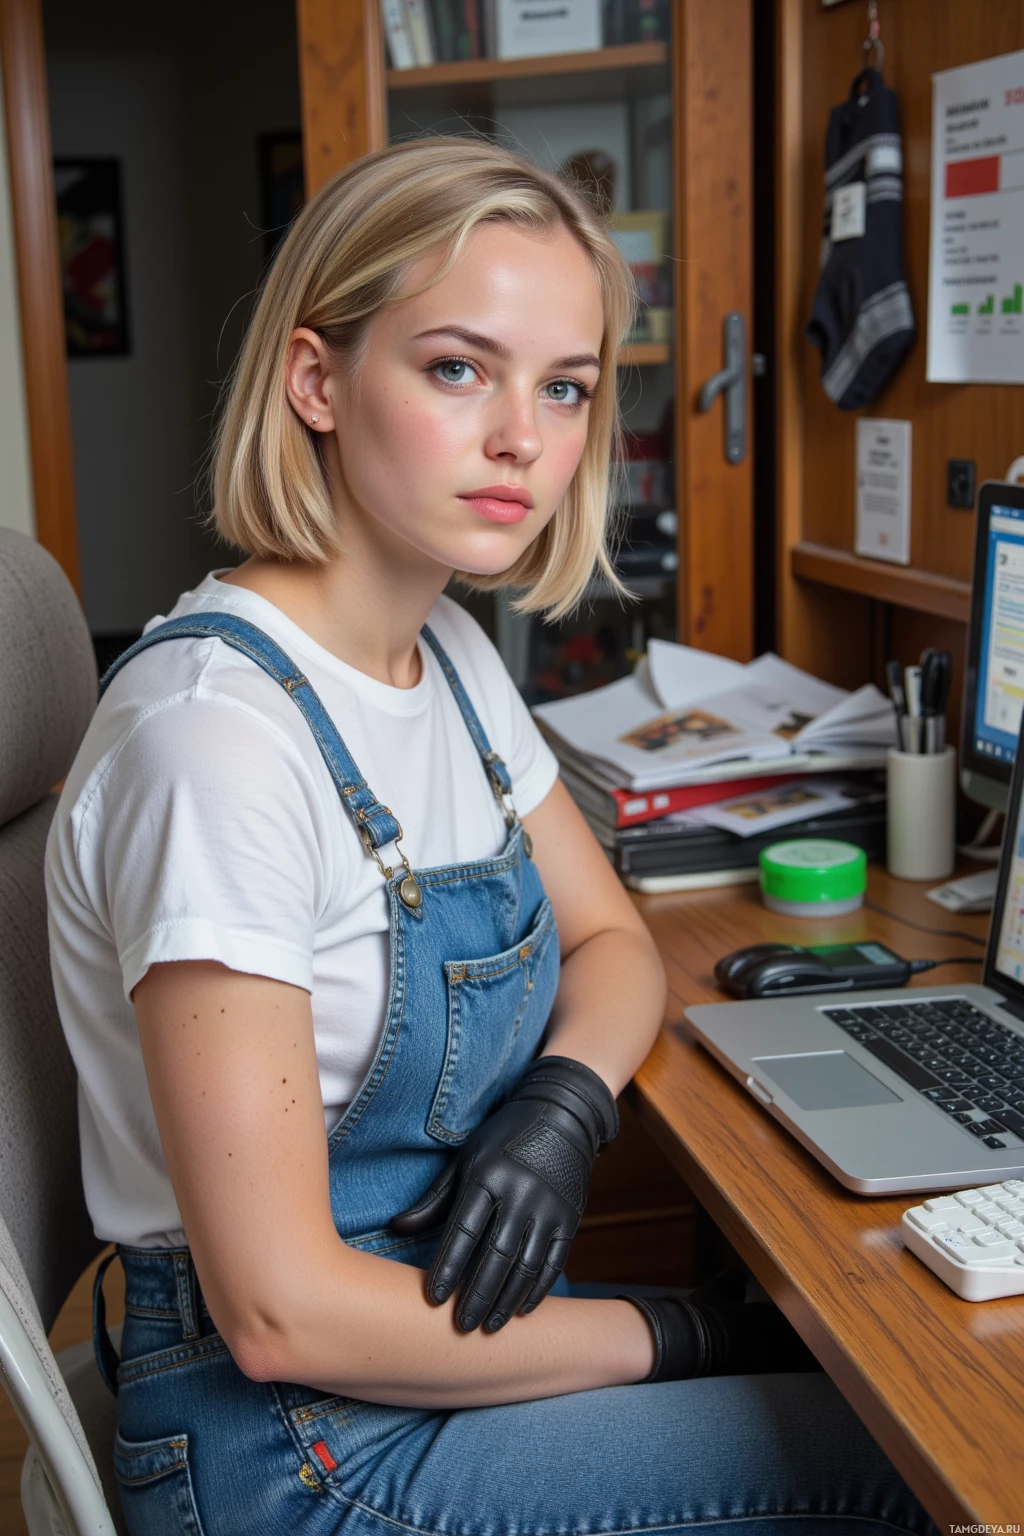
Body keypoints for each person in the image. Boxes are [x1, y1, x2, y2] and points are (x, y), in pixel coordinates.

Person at [46, 138, 936, 1536]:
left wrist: (566, 1104)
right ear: (317, 380)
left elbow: (612, 942)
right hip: (300, 1446)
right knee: (916, 1445)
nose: (525, 434)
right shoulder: (214, 740)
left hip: (439, 1345)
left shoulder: (448, 654)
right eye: (459, 368)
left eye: (566, 385)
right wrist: (683, 1334)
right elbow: (280, 1313)